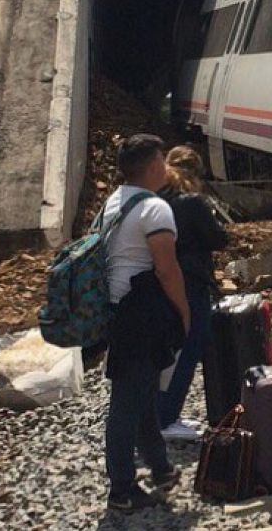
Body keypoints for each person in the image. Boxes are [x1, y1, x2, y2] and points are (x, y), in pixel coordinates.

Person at [102, 134, 190, 513]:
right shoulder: (155, 209)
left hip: (119, 309)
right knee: (126, 403)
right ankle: (121, 488)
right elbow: (166, 269)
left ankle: (160, 469)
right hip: (142, 314)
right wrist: (184, 312)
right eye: (162, 162)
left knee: (142, 396)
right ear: (154, 165)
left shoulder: (115, 201)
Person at [156, 145, 229, 441]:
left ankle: (157, 414)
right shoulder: (193, 202)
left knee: (165, 351)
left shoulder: (158, 198)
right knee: (189, 348)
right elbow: (217, 238)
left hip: (159, 281)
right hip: (191, 283)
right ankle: (167, 417)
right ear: (196, 173)